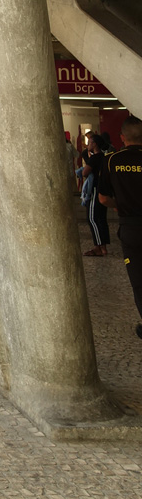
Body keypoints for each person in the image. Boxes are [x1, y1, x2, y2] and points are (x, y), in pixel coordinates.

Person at [98, 115, 142, 338]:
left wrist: (119, 205)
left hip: (131, 229)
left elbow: (104, 199)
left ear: (122, 137)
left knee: (138, 280)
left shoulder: (112, 160)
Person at [83, 133, 110, 255]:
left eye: (89, 142)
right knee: (101, 218)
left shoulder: (95, 158)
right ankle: (103, 246)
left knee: (92, 218)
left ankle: (98, 246)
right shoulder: (104, 157)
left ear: (94, 144)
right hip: (103, 189)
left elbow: (85, 172)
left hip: (94, 189)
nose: (87, 145)